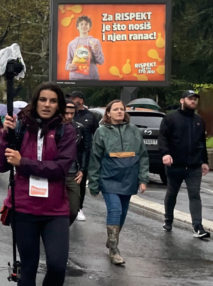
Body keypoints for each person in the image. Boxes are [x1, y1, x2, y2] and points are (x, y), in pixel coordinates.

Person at [0, 82, 76, 286]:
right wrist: (6, 136)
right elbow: (1, 164)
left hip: (55, 209)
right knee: (28, 268)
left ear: (59, 105)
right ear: (35, 101)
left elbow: (60, 169)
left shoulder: (66, 130)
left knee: (57, 265)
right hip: (24, 208)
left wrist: (25, 163)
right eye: (42, 99)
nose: (47, 104)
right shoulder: (20, 127)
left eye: (53, 101)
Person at [88, 100, 149, 266]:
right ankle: (114, 249)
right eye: (115, 109)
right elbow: (95, 159)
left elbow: (143, 156)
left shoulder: (134, 130)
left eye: (122, 109)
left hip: (129, 178)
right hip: (109, 178)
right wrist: (93, 183)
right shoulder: (101, 132)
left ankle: (112, 239)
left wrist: (143, 179)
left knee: (122, 213)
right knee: (115, 210)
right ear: (108, 113)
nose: (119, 112)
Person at [159, 90, 210, 239]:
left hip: (194, 165)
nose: (193, 101)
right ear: (182, 100)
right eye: (190, 99)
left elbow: (202, 143)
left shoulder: (199, 120)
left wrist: (205, 161)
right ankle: (168, 219)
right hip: (175, 164)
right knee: (172, 193)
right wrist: (165, 154)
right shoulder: (170, 118)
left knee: (195, 194)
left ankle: (197, 227)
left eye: (195, 99)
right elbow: (163, 138)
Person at [70, 91, 99, 221]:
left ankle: (79, 207)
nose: (71, 100)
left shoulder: (91, 116)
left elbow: (97, 134)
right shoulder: (69, 114)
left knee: (81, 181)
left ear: (80, 100)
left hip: (85, 152)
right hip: (69, 151)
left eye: (74, 98)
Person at [62, 102, 85, 225]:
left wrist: (82, 169)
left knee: (73, 208)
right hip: (55, 172)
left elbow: (84, 150)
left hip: (73, 173)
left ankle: (62, 228)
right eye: (67, 113)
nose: (69, 116)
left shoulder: (79, 128)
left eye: (72, 113)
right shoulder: (53, 128)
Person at [64, 16, 104, 80]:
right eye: (81, 24)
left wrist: (96, 52)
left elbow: (101, 62)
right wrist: (68, 66)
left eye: (86, 24)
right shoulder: (71, 43)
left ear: (89, 27)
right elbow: (68, 62)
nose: (84, 26)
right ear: (77, 27)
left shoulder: (95, 42)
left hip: (92, 79)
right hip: (75, 78)